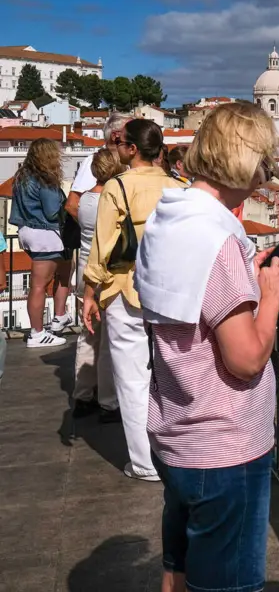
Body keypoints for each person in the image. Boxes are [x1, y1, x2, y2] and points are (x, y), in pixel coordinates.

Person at [135, 102, 279, 592]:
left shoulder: (168, 220)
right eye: (265, 160)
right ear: (245, 159)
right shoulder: (219, 240)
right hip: (224, 449)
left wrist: (244, 275)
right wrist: (269, 295)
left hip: (175, 435)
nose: (268, 174)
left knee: (177, 568)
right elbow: (245, 359)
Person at [82, 119, 185, 481]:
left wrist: (90, 293)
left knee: (132, 379)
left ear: (131, 150)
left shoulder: (117, 187)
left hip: (126, 289)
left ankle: (144, 463)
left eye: (120, 142)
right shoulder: (179, 187)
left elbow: (102, 248)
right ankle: (178, 452)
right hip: (171, 290)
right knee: (172, 374)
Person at [72, 149, 124, 419]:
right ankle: (108, 400)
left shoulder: (85, 201)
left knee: (88, 334)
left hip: (82, 266)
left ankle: (82, 394)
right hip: (102, 270)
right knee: (107, 339)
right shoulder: (111, 198)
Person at [11, 138, 73, 348]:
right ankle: (37, 334)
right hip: (45, 234)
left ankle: (59, 316)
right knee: (39, 285)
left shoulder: (22, 176)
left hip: (28, 232)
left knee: (65, 269)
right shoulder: (45, 179)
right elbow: (52, 211)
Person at [65, 112, 132, 220]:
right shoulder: (94, 161)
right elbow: (72, 205)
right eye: (131, 132)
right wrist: (96, 231)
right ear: (115, 136)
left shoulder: (127, 160)